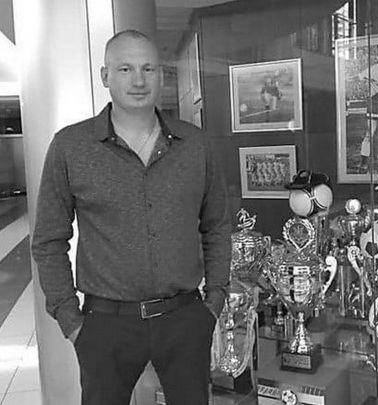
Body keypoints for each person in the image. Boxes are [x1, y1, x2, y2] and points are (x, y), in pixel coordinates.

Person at [31, 30, 231, 405]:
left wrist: (214, 303)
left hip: (185, 319)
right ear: (105, 76)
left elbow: (217, 226)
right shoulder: (70, 147)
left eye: (148, 68)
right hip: (105, 325)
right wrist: (71, 320)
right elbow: (48, 240)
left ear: (161, 75)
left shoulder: (196, 145)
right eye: (125, 69)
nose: (138, 80)